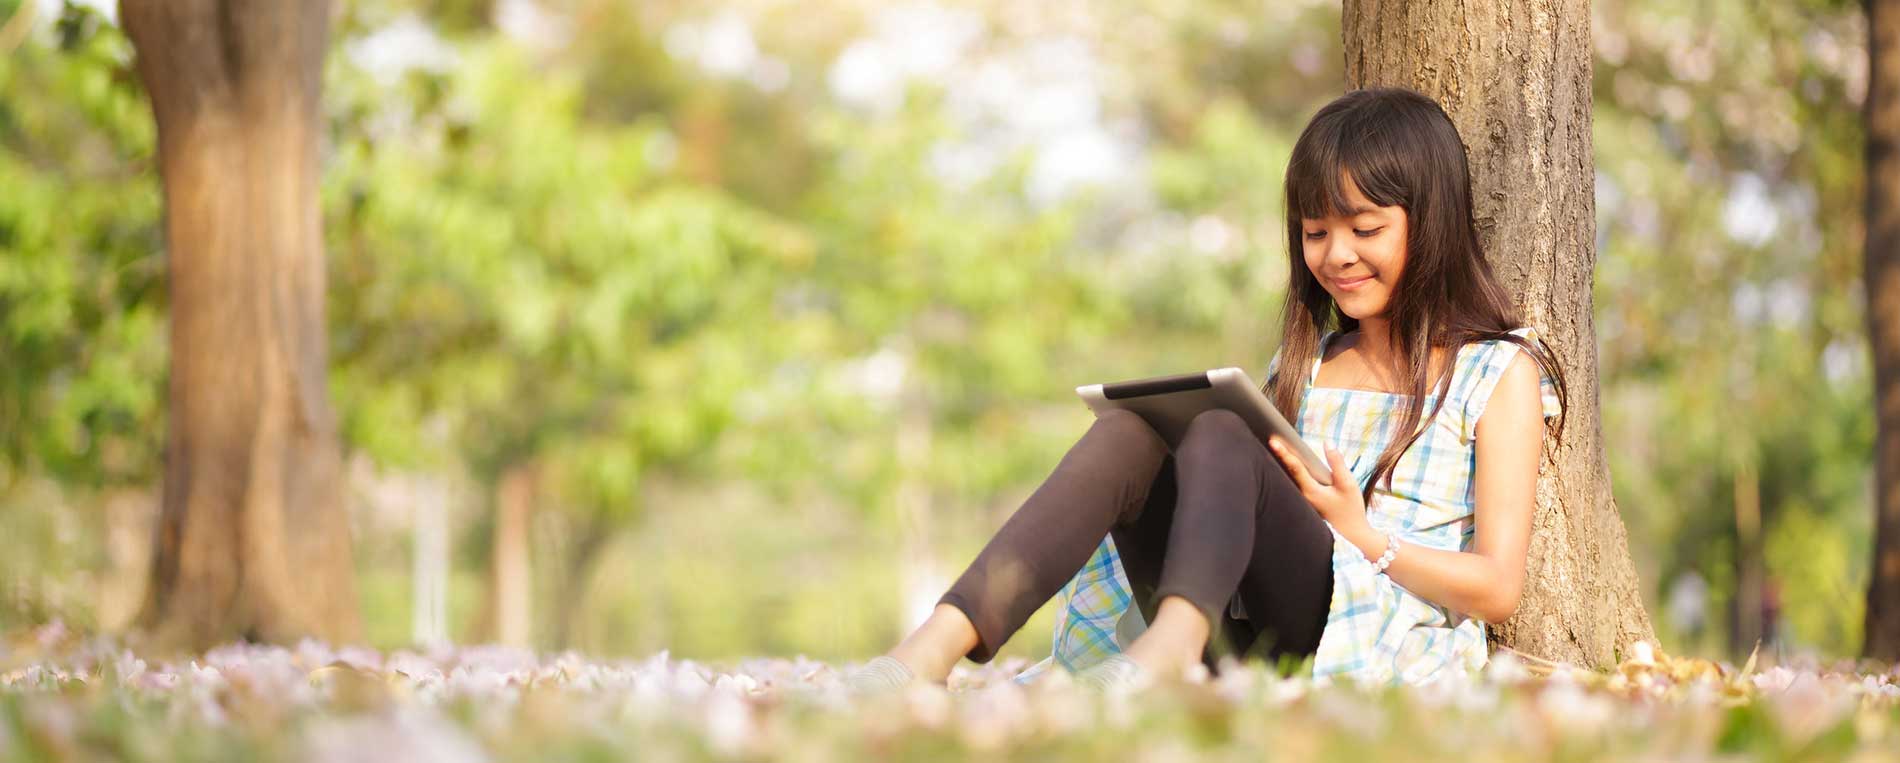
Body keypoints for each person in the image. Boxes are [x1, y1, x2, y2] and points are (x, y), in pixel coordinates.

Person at [845, 86, 1570, 691]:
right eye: (1316, 233)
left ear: (1431, 223)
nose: (1337, 255)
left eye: (1365, 228)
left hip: (1365, 639)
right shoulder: (1309, 363)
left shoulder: (1495, 370)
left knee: (1221, 429)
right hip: (1243, 627)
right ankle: (932, 648)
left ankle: (1167, 656)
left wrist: (1364, 536)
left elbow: (1497, 585)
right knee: (1135, 429)